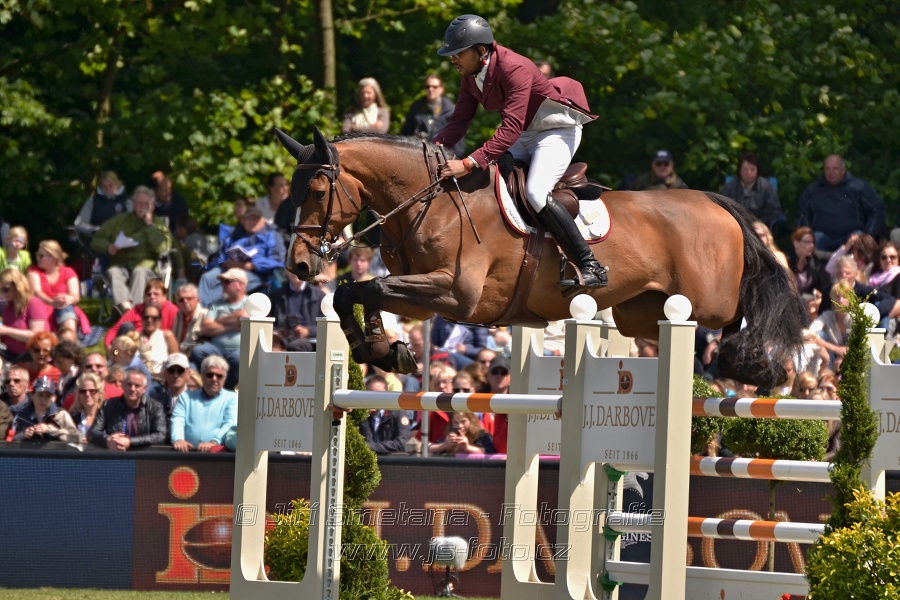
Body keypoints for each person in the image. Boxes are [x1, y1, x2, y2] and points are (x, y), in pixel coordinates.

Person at [432, 14, 606, 288]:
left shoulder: (514, 68)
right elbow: (460, 120)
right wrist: (432, 149)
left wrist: (468, 163)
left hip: (556, 131)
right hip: (525, 133)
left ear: (481, 50)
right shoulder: (470, 75)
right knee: (490, 183)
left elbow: (510, 128)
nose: (453, 59)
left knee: (535, 192)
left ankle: (590, 264)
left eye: (458, 53)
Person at [89, 185, 173, 312]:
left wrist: (149, 225)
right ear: (133, 205)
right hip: (121, 264)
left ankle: (135, 311)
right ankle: (126, 309)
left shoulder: (158, 224)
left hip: (146, 267)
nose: (142, 207)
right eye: (139, 203)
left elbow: (162, 248)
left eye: (146, 204)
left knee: (139, 272)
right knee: (113, 272)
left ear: (152, 206)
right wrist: (108, 247)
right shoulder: (119, 221)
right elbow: (95, 240)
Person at [796, 154, 886, 252]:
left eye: (835, 169)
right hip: (822, 236)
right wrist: (807, 235)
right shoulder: (813, 191)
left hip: (852, 235)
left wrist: (868, 235)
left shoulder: (859, 187)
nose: (831, 172)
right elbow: (803, 214)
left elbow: (877, 210)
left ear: (843, 169)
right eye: (828, 169)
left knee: (860, 240)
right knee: (810, 240)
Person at [199, 205, 285, 306]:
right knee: (206, 278)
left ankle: (203, 307)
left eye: (255, 219)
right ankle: (199, 308)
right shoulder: (234, 235)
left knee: (228, 282)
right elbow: (220, 256)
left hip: (256, 274)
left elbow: (278, 259)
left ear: (262, 221)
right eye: (249, 219)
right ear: (243, 221)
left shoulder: (272, 235)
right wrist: (224, 263)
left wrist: (252, 265)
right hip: (229, 268)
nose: (252, 222)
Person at [191, 268, 248, 389]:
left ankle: (227, 389)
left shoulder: (249, 302)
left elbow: (243, 314)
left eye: (227, 282)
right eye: (222, 282)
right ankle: (206, 386)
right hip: (217, 347)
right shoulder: (216, 304)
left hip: (240, 348)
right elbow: (205, 328)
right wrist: (233, 325)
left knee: (237, 359)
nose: (223, 285)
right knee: (198, 351)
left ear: (240, 285)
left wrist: (217, 322)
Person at [27, 239, 92, 341]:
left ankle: (69, 341)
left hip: (64, 307)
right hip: (42, 307)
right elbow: (36, 292)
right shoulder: (33, 271)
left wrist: (68, 299)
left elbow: (75, 296)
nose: (38, 258)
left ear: (53, 257)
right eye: (37, 255)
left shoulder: (68, 272)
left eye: (41, 256)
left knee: (67, 308)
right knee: (64, 308)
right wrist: (52, 302)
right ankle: (67, 340)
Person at [170, 355, 237, 452]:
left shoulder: (232, 398)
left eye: (219, 376)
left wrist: (214, 442)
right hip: (187, 453)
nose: (214, 379)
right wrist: (178, 439)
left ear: (224, 379)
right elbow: (177, 420)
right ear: (202, 376)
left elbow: (230, 424)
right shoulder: (186, 397)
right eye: (210, 375)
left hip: (218, 455)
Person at [89, 368, 167, 450]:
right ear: (122, 385)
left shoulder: (155, 407)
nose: (132, 389)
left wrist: (130, 441)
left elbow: (160, 435)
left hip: (144, 455)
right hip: (115, 454)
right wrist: (108, 440)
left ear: (144, 388)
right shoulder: (108, 405)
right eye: (129, 384)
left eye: (137, 386)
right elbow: (93, 432)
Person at [401, 74, 465, 157]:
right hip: (418, 155)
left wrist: (454, 160)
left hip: (443, 157)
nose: (430, 89)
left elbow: (458, 143)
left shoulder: (452, 111)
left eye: (435, 87)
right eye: (427, 87)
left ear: (441, 89)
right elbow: (406, 134)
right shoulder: (416, 108)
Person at [104, 279, 179, 348]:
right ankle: (117, 356)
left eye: (156, 294)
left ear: (164, 296)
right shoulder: (136, 310)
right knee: (126, 326)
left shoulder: (173, 310)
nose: (152, 297)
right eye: (148, 294)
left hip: (161, 347)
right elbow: (113, 330)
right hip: (133, 348)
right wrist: (110, 349)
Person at [720, 152, 784, 230]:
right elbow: (721, 208)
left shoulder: (766, 187)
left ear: (757, 171)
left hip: (759, 228)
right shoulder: (730, 187)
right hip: (735, 226)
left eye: (752, 169)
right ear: (740, 171)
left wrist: (757, 223)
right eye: (745, 169)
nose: (749, 172)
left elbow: (774, 212)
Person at [0, 267, 50, 360]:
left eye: (6, 289)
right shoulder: (9, 305)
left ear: (18, 286)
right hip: (10, 353)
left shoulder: (34, 303)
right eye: (1, 290)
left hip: (31, 357)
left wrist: (6, 330)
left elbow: (37, 336)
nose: (3, 293)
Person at [270, 270, 325, 352]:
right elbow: (268, 321)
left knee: (295, 346)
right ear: (286, 270)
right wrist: (278, 330)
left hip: (309, 339)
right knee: (273, 345)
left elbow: (326, 326)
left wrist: (308, 331)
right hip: (283, 338)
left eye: (300, 268)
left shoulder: (319, 295)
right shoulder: (276, 295)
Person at [10, 375, 77, 442]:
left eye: (47, 396)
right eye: (40, 395)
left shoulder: (61, 415)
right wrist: (23, 434)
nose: (43, 400)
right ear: (32, 395)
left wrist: (50, 429)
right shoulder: (21, 416)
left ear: (53, 398)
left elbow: (76, 439)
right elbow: (10, 442)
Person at [357, 376, 412, 455]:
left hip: (390, 460)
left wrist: (370, 447)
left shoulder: (397, 413)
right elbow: (365, 440)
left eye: (379, 393)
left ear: (387, 393)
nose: (375, 397)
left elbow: (400, 444)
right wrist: (364, 417)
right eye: (371, 393)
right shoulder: (361, 415)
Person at [73, 170, 131, 235]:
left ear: (117, 185)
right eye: (104, 187)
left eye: (111, 186)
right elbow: (79, 224)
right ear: (100, 187)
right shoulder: (92, 201)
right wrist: (96, 229)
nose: (108, 189)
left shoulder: (127, 203)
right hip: (97, 238)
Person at [786, 227, 830, 298]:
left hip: (810, 299)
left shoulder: (813, 258)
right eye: (807, 242)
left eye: (812, 242)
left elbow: (830, 256)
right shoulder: (786, 261)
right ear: (796, 243)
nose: (812, 246)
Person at [428, 411, 495, 456]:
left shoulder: (482, 435)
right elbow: (427, 448)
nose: (459, 426)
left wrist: (468, 447)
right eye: (455, 422)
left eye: (463, 421)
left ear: (471, 420)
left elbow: (491, 452)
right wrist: (444, 445)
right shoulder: (452, 435)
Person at [139, 304, 178, 376]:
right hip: (137, 378)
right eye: (146, 317)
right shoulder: (134, 337)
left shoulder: (167, 336)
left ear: (160, 320)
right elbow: (117, 352)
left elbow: (176, 362)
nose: (149, 320)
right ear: (142, 319)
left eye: (154, 318)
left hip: (160, 378)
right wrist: (116, 351)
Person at [149, 353, 191, 419]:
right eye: (171, 370)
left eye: (180, 370)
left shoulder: (195, 402)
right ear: (165, 373)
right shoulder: (155, 402)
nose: (175, 375)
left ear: (188, 374)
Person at [68, 372, 105, 442]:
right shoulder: (72, 418)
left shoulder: (107, 417)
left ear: (99, 394)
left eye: (92, 391)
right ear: (78, 395)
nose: (87, 394)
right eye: (83, 391)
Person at [172, 283, 207, 355]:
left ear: (198, 300)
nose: (185, 301)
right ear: (177, 302)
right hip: (178, 357)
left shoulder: (206, 316)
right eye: (181, 300)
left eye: (189, 298)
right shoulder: (178, 316)